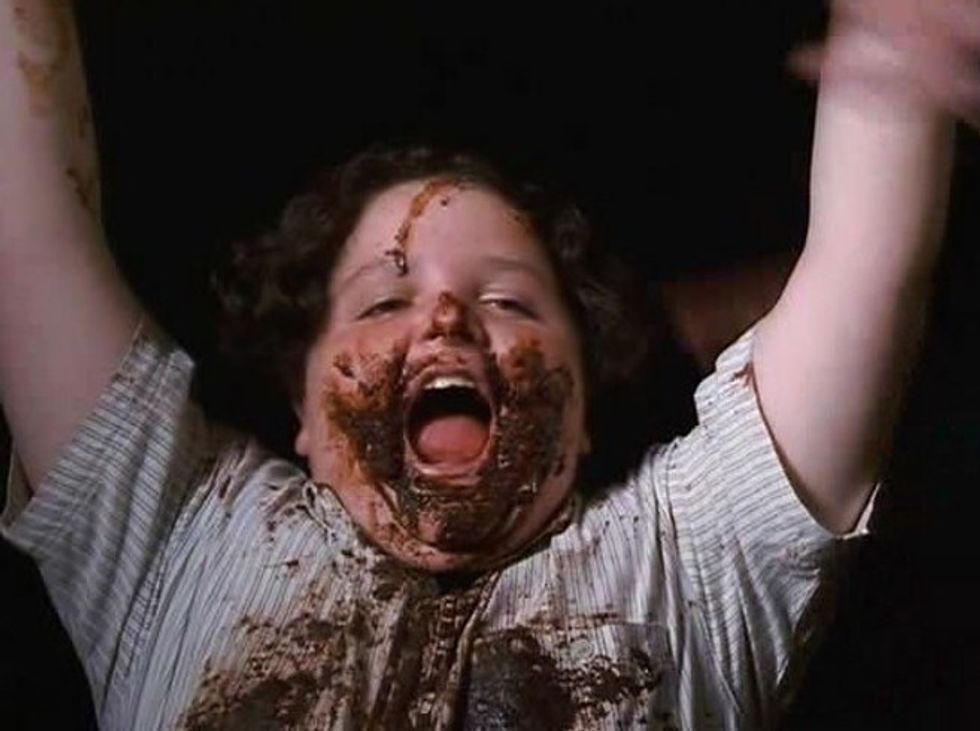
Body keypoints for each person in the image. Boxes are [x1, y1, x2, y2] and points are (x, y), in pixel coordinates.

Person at [1, 1, 977, 728]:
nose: (443, 317)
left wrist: (894, 49)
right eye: (383, 302)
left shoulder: (695, 560)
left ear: (581, 408)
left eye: (508, 299)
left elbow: (866, 259)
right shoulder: (177, 540)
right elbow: (29, 230)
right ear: (300, 406)